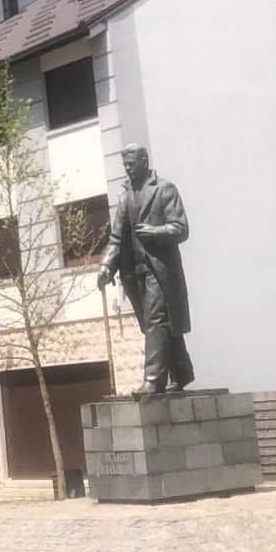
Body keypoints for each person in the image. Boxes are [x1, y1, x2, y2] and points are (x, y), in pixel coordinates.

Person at [97, 145, 194, 395]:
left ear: (144, 161)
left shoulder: (164, 189)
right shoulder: (125, 197)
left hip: (159, 270)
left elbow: (181, 228)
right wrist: (106, 265)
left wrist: (156, 232)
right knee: (160, 323)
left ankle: (153, 380)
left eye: (131, 164)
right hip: (134, 273)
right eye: (125, 165)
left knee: (155, 321)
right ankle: (181, 371)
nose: (128, 169)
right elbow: (116, 238)